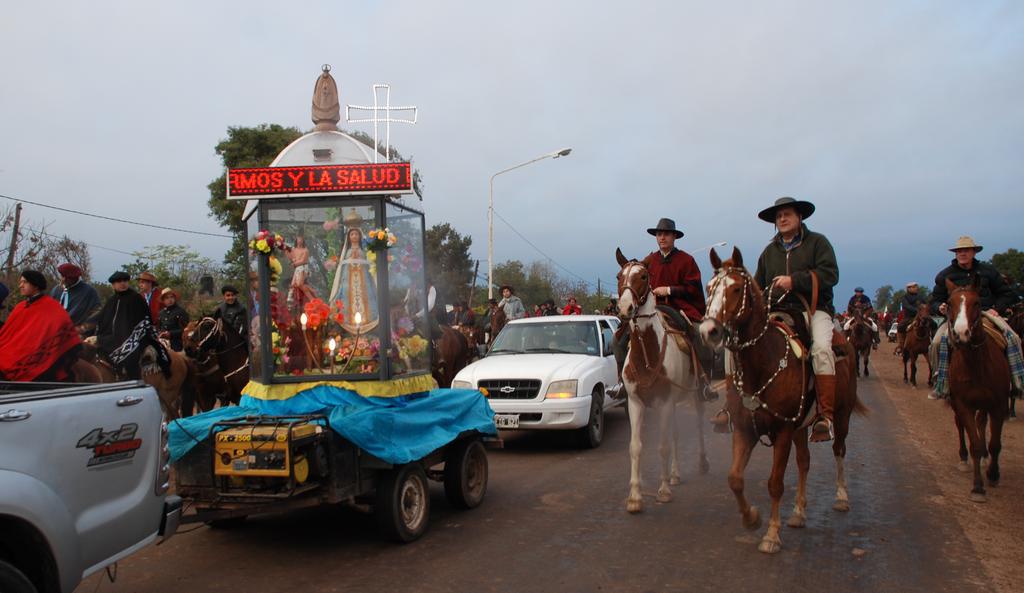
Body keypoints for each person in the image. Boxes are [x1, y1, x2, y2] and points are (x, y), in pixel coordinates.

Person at [718, 197, 840, 441]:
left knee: (822, 350)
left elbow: (830, 274)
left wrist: (794, 281)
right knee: (735, 347)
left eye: (787, 214)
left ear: (799, 217)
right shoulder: (769, 252)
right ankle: (731, 407)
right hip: (776, 311)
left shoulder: (818, 243)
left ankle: (824, 416)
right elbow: (758, 287)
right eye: (778, 216)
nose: (782, 219)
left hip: (813, 310)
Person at [927, 236, 1023, 400]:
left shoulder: (989, 271)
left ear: (974, 252)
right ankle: (941, 383)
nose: (962, 253)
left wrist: (996, 308)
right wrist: (940, 307)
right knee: (936, 343)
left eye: (966, 250)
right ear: (955, 254)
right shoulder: (945, 275)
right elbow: (934, 300)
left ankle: (1018, 382)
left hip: (985, 313)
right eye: (959, 251)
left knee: (1013, 338)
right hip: (955, 318)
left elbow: (1007, 294)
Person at [0, 270, 82, 381]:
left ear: (35, 285)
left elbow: (62, 332)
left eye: (25, 282)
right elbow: (7, 335)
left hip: (35, 356)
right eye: (20, 282)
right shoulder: (20, 307)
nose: (20, 286)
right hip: (14, 352)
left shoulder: (52, 307)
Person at [95, 271, 161, 380]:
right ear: (113, 285)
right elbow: (102, 322)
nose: (122, 283)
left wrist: (129, 337)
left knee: (131, 355)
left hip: (134, 338)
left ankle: (133, 379)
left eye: (125, 281)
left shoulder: (136, 298)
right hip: (111, 338)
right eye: (119, 281)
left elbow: (144, 322)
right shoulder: (111, 301)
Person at [51, 263, 101, 333]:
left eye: (68, 278)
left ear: (75, 278)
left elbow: (97, 313)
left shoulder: (89, 291)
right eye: (62, 276)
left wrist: (82, 328)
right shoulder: (57, 290)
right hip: (58, 333)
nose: (63, 279)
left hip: (79, 335)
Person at [896, 282, 926, 350]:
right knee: (900, 326)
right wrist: (917, 310)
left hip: (921, 316)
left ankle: (932, 341)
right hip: (909, 317)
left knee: (932, 324)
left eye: (916, 286)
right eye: (914, 287)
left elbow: (925, 304)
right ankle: (901, 345)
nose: (916, 288)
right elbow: (907, 306)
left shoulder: (920, 296)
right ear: (908, 289)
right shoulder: (905, 297)